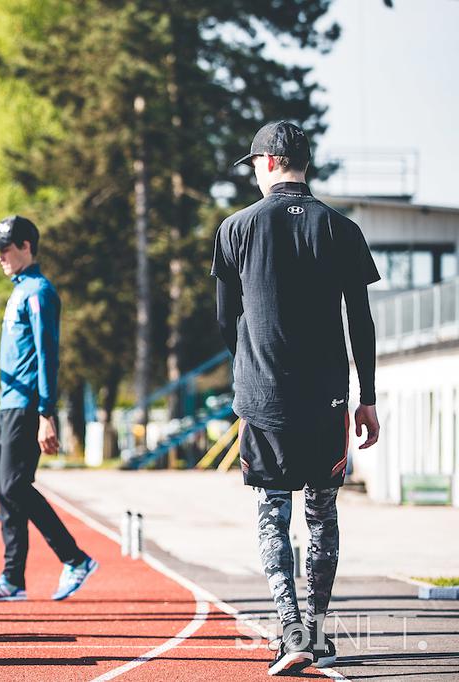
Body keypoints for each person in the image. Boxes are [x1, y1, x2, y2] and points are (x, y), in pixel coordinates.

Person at [212, 121, 381, 675]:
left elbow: (223, 318)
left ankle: (288, 633)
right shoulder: (341, 227)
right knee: (323, 511)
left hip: (262, 397)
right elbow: (361, 320)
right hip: (329, 399)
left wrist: (248, 364)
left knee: (271, 514)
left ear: (266, 162)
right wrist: (368, 397)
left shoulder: (235, 228)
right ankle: (317, 631)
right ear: (302, 163)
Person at [0, 216, 97, 603]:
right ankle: (13, 578)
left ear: (26, 246)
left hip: (29, 407)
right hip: (12, 407)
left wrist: (46, 413)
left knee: (14, 486)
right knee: (3, 489)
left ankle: (74, 557)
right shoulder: (19, 290)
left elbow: (47, 357)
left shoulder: (39, 292)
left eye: (5, 249)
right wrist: (0, 414)